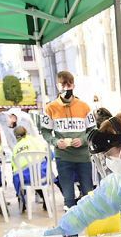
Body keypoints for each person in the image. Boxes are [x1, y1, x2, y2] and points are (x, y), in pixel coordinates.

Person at [39, 71, 96, 208]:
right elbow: (45, 132)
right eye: (63, 84)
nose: (66, 87)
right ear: (58, 86)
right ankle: (71, 228)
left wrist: (82, 140)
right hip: (63, 157)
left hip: (83, 157)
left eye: (69, 84)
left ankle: (89, 225)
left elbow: (92, 131)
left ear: (73, 85)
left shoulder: (84, 106)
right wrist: (56, 142)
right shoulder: (50, 108)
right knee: (68, 196)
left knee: (88, 193)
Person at [11, 126, 50, 213]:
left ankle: (22, 203)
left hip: (26, 179)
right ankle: (45, 199)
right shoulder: (37, 141)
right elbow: (49, 154)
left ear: (16, 136)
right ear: (26, 132)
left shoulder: (16, 147)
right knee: (37, 177)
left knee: (17, 178)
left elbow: (14, 167)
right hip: (42, 176)